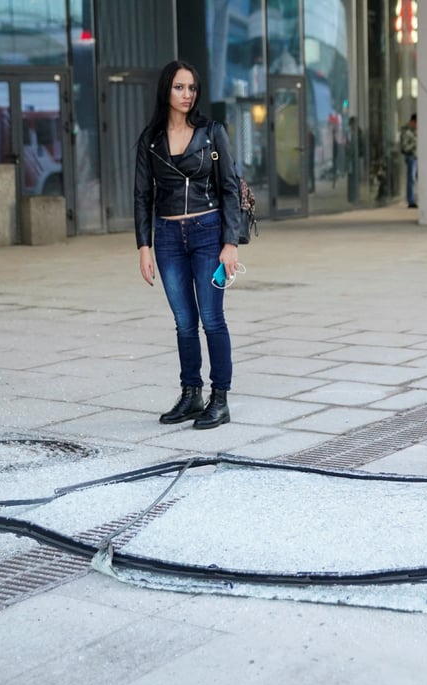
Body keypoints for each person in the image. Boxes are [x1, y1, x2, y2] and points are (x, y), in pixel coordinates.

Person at [134, 59, 242, 429]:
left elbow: (230, 187)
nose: (187, 94)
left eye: (192, 88)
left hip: (208, 232)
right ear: (166, 90)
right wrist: (144, 247)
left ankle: (220, 399)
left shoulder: (212, 132)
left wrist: (230, 242)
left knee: (212, 318)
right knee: (183, 321)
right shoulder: (150, 140)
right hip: (167, 237)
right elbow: (142, 196)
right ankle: (191, 394)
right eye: (179, 87)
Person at [400, 113, 418, 207]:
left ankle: (414, 198)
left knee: (414, 179)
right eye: (416, 124)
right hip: (411, 156)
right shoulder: (406, 131)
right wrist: (415, 144)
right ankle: (411, 201)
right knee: (411, 179)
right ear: (413, 122)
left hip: (416, 157)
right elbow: (404, 147)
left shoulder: (414, 131)